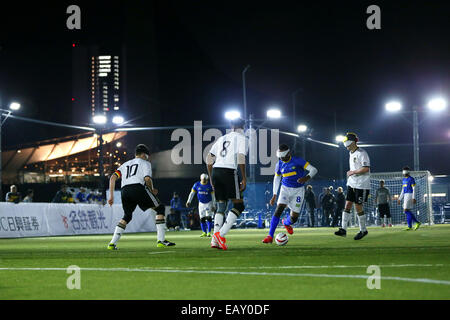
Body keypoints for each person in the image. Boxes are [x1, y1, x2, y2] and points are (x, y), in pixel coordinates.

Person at [107, 144, 175, 250]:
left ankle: (112, 243)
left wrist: (111, 196)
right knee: (160, 208)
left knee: (127, 216)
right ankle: (161, 240)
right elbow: (147, 179)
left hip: (124, 191)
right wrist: (152, 190)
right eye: (147, 155)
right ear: (144, 154)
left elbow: (112, 178)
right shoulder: (145, 163)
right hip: (137, 188)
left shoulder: (125, 164)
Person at [262, 144, 318, 243]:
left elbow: (314, 170)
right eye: (280, 157)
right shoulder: (279, 164)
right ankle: (270, 236)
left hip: (298, 191)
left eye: (283, 156)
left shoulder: (298, 160)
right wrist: (274, 194)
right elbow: (277, 178)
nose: (281, 158)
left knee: (294, 218)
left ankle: (286, 223)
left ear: (288, 153)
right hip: (285, 189)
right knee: (278, 209)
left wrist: (306, 178)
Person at [206, 117, 248, 250]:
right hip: (229, 172)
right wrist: (244, 178)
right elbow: (241, 158)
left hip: (216, 171)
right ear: (244, 126)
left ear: (231, 126)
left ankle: (214, 240)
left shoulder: (221, 138)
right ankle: (221, 234)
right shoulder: (243, 139)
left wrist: (212, 178)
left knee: (221, 206)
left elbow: (209, 159)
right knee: (239, 205)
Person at [334, 132, 371, 240]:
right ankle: (343, 229)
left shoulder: (362, 153)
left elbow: (366, 168)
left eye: (349, 145)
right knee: (347, 205)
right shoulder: (351, 153)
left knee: (358, 206)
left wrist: (353, 172)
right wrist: (352, 174)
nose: (347, 148)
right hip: (352, 183)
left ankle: (363, 230)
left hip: (362, 185)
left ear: (354, 143)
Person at [186, 173, 216, 237]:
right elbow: (192, 193)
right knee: (202, 218)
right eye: (203, 179)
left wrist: (214, 205)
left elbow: (213, 196)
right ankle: (204, 232)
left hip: (209, 203)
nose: (204, 181)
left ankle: (209, 232)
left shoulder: (210, 185)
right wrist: (188, 201)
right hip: (201, 203)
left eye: (205, 179)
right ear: (201, 179)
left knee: (209, 218)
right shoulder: (196, 185)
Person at [398, 166, 421, 230]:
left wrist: (414, 197)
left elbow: (414, 188)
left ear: (407, 172)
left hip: (410, 195)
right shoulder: (404, 180)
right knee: (407, 210)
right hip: (405, 195)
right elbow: (403, 189)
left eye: (405, 171)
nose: (404, 172)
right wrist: (400, 198)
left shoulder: (411, 179)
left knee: (406, 210)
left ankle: (414, 223)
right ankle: (412, 225)